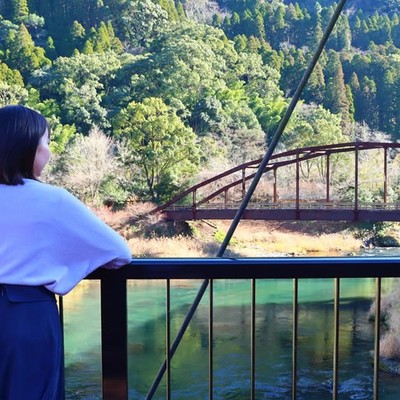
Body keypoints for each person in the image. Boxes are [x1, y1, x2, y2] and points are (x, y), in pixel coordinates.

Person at [0, 105, 132, 399]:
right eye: (46, 142)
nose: (48, 151)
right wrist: (62, 266)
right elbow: (119, 252)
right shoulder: (52, 200)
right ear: (30, 148)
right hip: (26, 316)